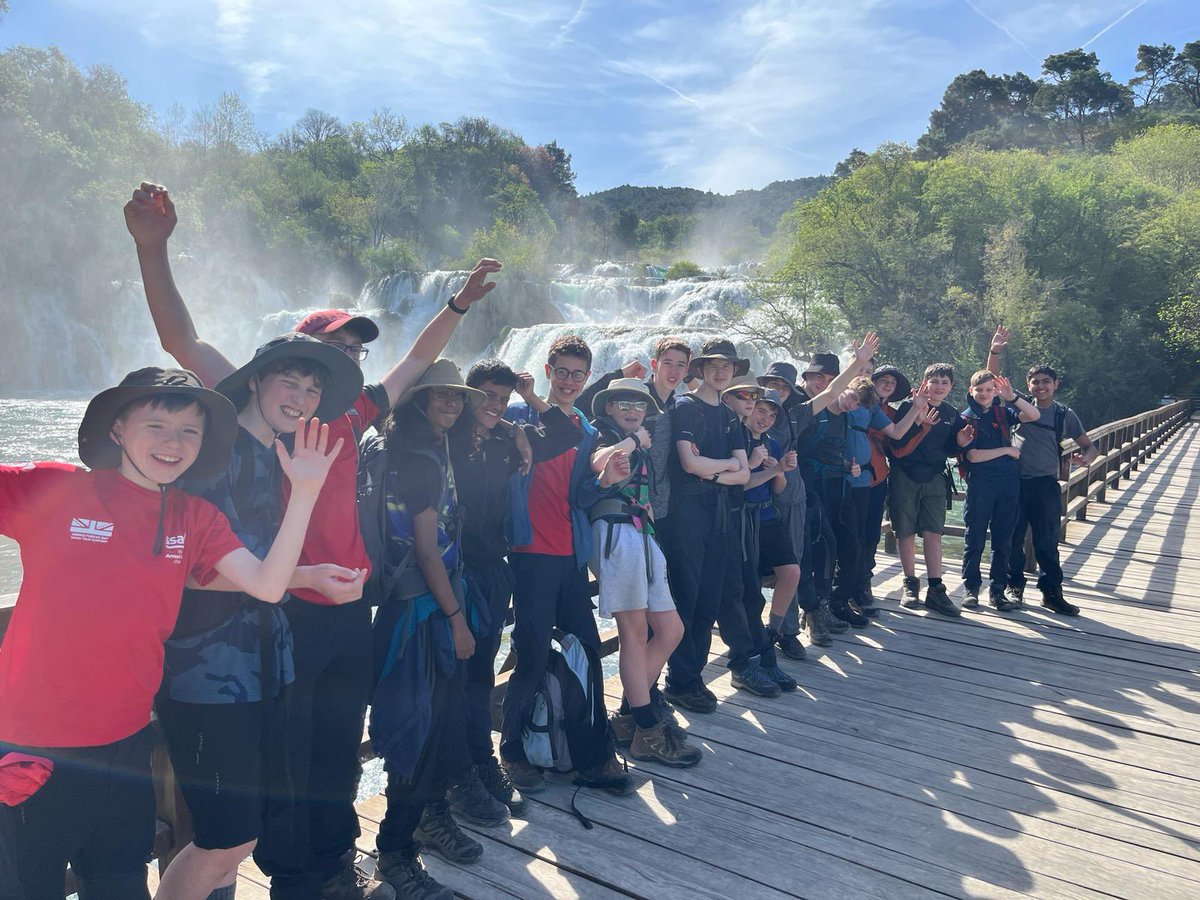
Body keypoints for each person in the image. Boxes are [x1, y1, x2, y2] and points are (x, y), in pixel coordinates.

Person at [125, 182, 500, 898]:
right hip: (282, 607)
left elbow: (415, 365)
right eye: (339, 344)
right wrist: (153, 248)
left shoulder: (348, 415)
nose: (352, 355)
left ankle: (333, 862)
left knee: (334, 750)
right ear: (288, 361)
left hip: (347, 610)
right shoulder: (248, 409)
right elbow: (181, 339)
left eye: (358, 348)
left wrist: (457, 307)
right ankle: (296, 876)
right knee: (289, 757)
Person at [0, 368, 346, 900]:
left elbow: (268, 584)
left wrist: (305, 491)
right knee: (27, 887)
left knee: (120, 881)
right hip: (32, 746)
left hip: (127, 743)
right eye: (156, 425)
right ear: (117, 430)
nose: (173, 443)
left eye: (190, 431)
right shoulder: (56, 487)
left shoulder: (194, 518)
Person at [155, 335, 368, 900]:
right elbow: (195, 572)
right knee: (223, 839)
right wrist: (308, 576)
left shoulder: (278, 453)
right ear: (254, 380)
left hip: (264, 662)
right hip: (206, 670)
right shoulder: (212, 457)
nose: (302, 398)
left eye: (313, 389)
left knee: (238, 837)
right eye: (289, 383)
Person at [368, 360, 491, 900]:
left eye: (457, 395)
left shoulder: (431, 444)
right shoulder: (418, 456)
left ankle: (425, 819)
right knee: (418, 730)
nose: (452, 402)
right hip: (421, 612)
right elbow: (424, 548)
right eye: (440, 394)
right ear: (418, 400)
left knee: (434, 726)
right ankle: (396, 849)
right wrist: (458, 619)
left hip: (427, 605)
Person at [500, 335, 633, 796]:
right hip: (530, 553)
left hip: (570, 556)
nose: (571, 381)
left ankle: (590, 754)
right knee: (532, 654)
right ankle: (512, 751)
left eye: (579, 374)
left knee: (587, 650)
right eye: (563, 372)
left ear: (587, 378)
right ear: (548, 371)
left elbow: (580, 495)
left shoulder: (588, 431)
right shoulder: (519, 416)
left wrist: (605, 480)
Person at [585, 378, 700, 766]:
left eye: (638, 404)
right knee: (633, 634)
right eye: (623, 403)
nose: (632, 410)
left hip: (641, 535)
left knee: (671, 629)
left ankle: (630, 716)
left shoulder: (635, 438)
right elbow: (597, 462)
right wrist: (636, 443)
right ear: (609, 409)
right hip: (616, 534)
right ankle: (647, 731)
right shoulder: (604, 434)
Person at [446, 360, 532, 820]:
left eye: (503, 398)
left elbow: (567, 430)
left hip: (491, 571)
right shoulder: (445, 438)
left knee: (480, 673)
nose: (495, 406)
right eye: (486, 397)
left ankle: (481, 761)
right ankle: (457, 776)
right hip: (451, 574)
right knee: (451, 678)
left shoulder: (505, 441)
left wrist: (518, 428)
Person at [660, 338, 758, 713]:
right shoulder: (687, 408)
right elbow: (688, 464)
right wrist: (727, 468)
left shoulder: (730, 417)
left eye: (728, 367)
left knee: (708, 600)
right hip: (686, 516)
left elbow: (744, 471)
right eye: (714, 365)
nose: (722, 372)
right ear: (699, 369)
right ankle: (678, 679)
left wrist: (713, 472)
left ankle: (692, 677)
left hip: (717, 516)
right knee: (685, 596)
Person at [986, 327, 1098, 615]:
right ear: (1028, 384)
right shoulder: (1017, 405)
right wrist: (995, 351)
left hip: (1046, 484)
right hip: (1014, 482)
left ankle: (1052, 593)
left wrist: (1085, 459)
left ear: (1056, 384)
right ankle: (1015, 587)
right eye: (1035, 382)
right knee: (1012, 538)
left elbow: (1090, 446)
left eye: (1046, 382)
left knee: (1047, 541)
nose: (1040, 387)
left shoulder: (1064, 414)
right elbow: (993, 380)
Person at [887, 364, 975, 617]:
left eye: (944, 383)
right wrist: (917, 420)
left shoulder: (951, 413)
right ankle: (910, 584)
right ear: (924, 383)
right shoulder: (907, 406)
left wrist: (960, 443)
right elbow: (896, 441)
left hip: (935, 476)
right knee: (904, 530)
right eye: (934, 381)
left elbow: (951, 447)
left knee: (933, 531)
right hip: (905, 474)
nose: (938, 387)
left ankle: (935, 588)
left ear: (950, 388)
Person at [731, 384, 804, 688]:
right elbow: (740, 486)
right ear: (749, 409)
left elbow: (780, 488)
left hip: (768, 515)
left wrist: (781, 469)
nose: (765, 418)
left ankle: (772, 633)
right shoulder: (737, 439)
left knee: (792, 572)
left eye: (772, 415)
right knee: (749, 592)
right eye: (761, 411)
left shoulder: (773, 444)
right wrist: (762, 468)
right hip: (744, 520)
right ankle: (754, 657)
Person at [958, 370, 1039, 611]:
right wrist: (1006, 451)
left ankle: (997, 591)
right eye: (979, 390)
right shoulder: (966, 418)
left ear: (995, 392)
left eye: (989, 389)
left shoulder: (1002, 413)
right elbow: (973, 455)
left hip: (1007, 483)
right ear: (971, 391)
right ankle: (971, 589)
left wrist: (1012, 397)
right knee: (974, 538)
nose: (984, 394)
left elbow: (1033, 414)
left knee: (1004, 538)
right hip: (981, 483)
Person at [859, 364, 912, 607]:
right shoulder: (854, 403)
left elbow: (899, 443)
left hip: (878, 476)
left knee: (871, 534)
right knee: (850, 532)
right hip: (851, 475)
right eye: (884, 379)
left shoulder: (892, 413)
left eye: (893, 382)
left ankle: (863, 582)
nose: (889, 384)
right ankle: (843, 585)